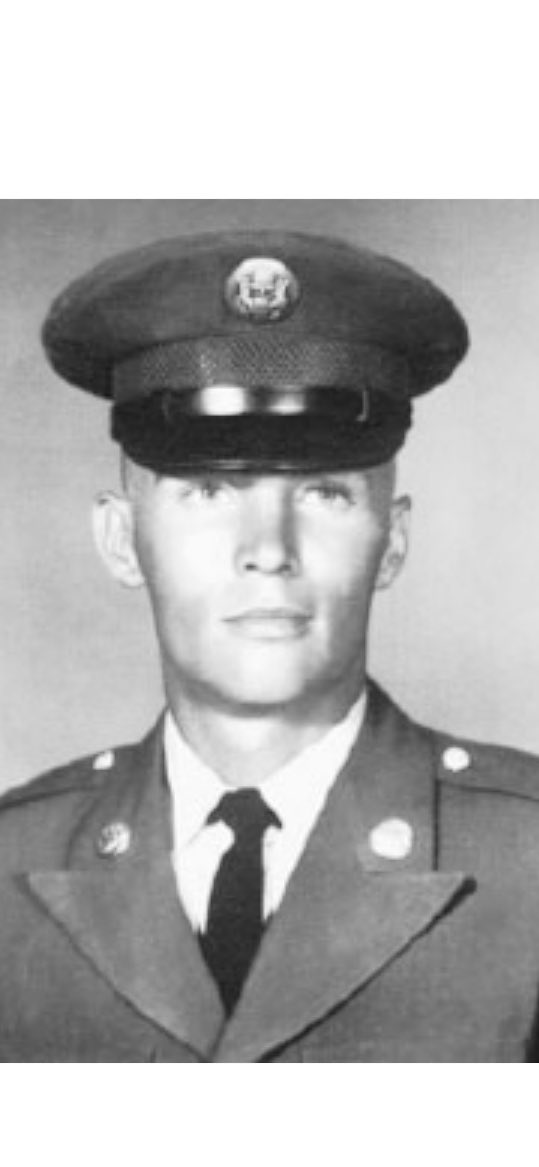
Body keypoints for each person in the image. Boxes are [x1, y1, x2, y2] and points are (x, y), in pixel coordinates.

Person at [2, 230, 539, 1063]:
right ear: (119, 539)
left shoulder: (525, 858)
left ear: (391, 542)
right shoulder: (14, 860)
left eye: (323, 493)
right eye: (209, 490)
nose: (267, 548)